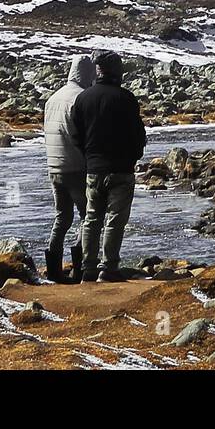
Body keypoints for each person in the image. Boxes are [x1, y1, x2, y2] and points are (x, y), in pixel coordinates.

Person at [72, 51, 146, 282]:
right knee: (115, 219)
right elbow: (138, 134)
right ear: (117, 72)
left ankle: (88, 268)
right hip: (122, 169)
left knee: (92, 218)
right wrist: (134, 158)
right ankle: (109, 267)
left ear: (98, 71)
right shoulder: (126, 98)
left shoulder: (84, 98)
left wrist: (88, 156)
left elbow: (75, 134)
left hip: (94, 168)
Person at [42, 55, 96, 282]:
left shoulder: (52, 99)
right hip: (76, 167)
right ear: (88, 74)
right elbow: (83, 135)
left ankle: (53, 268)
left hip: (54, 166)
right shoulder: (80, 99)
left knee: (62, 217)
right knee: (87, 216)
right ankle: (79, 267)